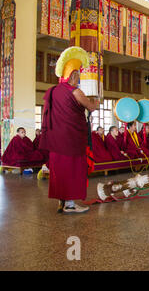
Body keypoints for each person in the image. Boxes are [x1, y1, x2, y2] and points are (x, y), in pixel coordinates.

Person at [40, 46, 99, 214]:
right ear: (73, 75)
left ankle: (62, 201)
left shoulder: (52, 91)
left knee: (59, 170)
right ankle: (71, 204)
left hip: (56, 140)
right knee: (72, 170)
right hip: (71, 140)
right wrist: (96, 101)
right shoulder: (75, 92)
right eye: (78, 75)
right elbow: (91, 107)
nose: (79, 79)